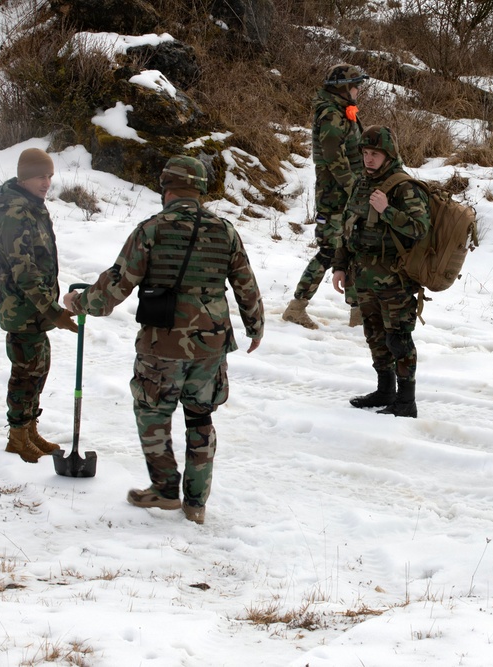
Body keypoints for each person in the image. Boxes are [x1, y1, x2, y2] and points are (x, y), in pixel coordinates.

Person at [64, 156, 264, 525]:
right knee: (200, 417)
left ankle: (165, 489)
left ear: (166, 189)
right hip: (211, 344)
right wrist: (255, 326)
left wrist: (80, 302)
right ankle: (196, 503)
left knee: (152, 414)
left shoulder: (152, 229)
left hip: (162, 343)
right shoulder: (225, 230)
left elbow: (116, 284)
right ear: (200, 189)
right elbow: (245, 285)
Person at [331, 126, 430, 418]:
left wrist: (387, 210)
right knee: (374, 335)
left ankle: (406, 401)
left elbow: (420, 229)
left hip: (394, 279)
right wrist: (339, 265)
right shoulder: (362, 184)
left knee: (398, 338)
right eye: (365, 153)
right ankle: (385, 390)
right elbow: (348, 227)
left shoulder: (404, 187)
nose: (368, 159)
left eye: (374, 153)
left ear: (388, 154)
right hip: (363, 276)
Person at [0, 147, 79, 463]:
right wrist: (54, 311)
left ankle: (29, 429)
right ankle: (17, 437)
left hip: (36, 311)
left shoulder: (32, 209)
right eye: (41, 175)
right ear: (24, 176)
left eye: (50, 176)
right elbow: (25, 272)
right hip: (22, 311)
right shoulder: (14, 214)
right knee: (25, 374)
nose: (46, 182)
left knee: (39, 370)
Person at [283, 63, 368, 330]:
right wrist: (353, 187)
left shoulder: (342, 112)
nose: (358, 91)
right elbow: (333, 157)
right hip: (336, 198)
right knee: (330, 251)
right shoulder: (331, 115)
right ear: (344, 88)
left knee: (353, 249)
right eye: (355, 86)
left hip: (346, 196)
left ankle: (358, 315)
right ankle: (296, 308)